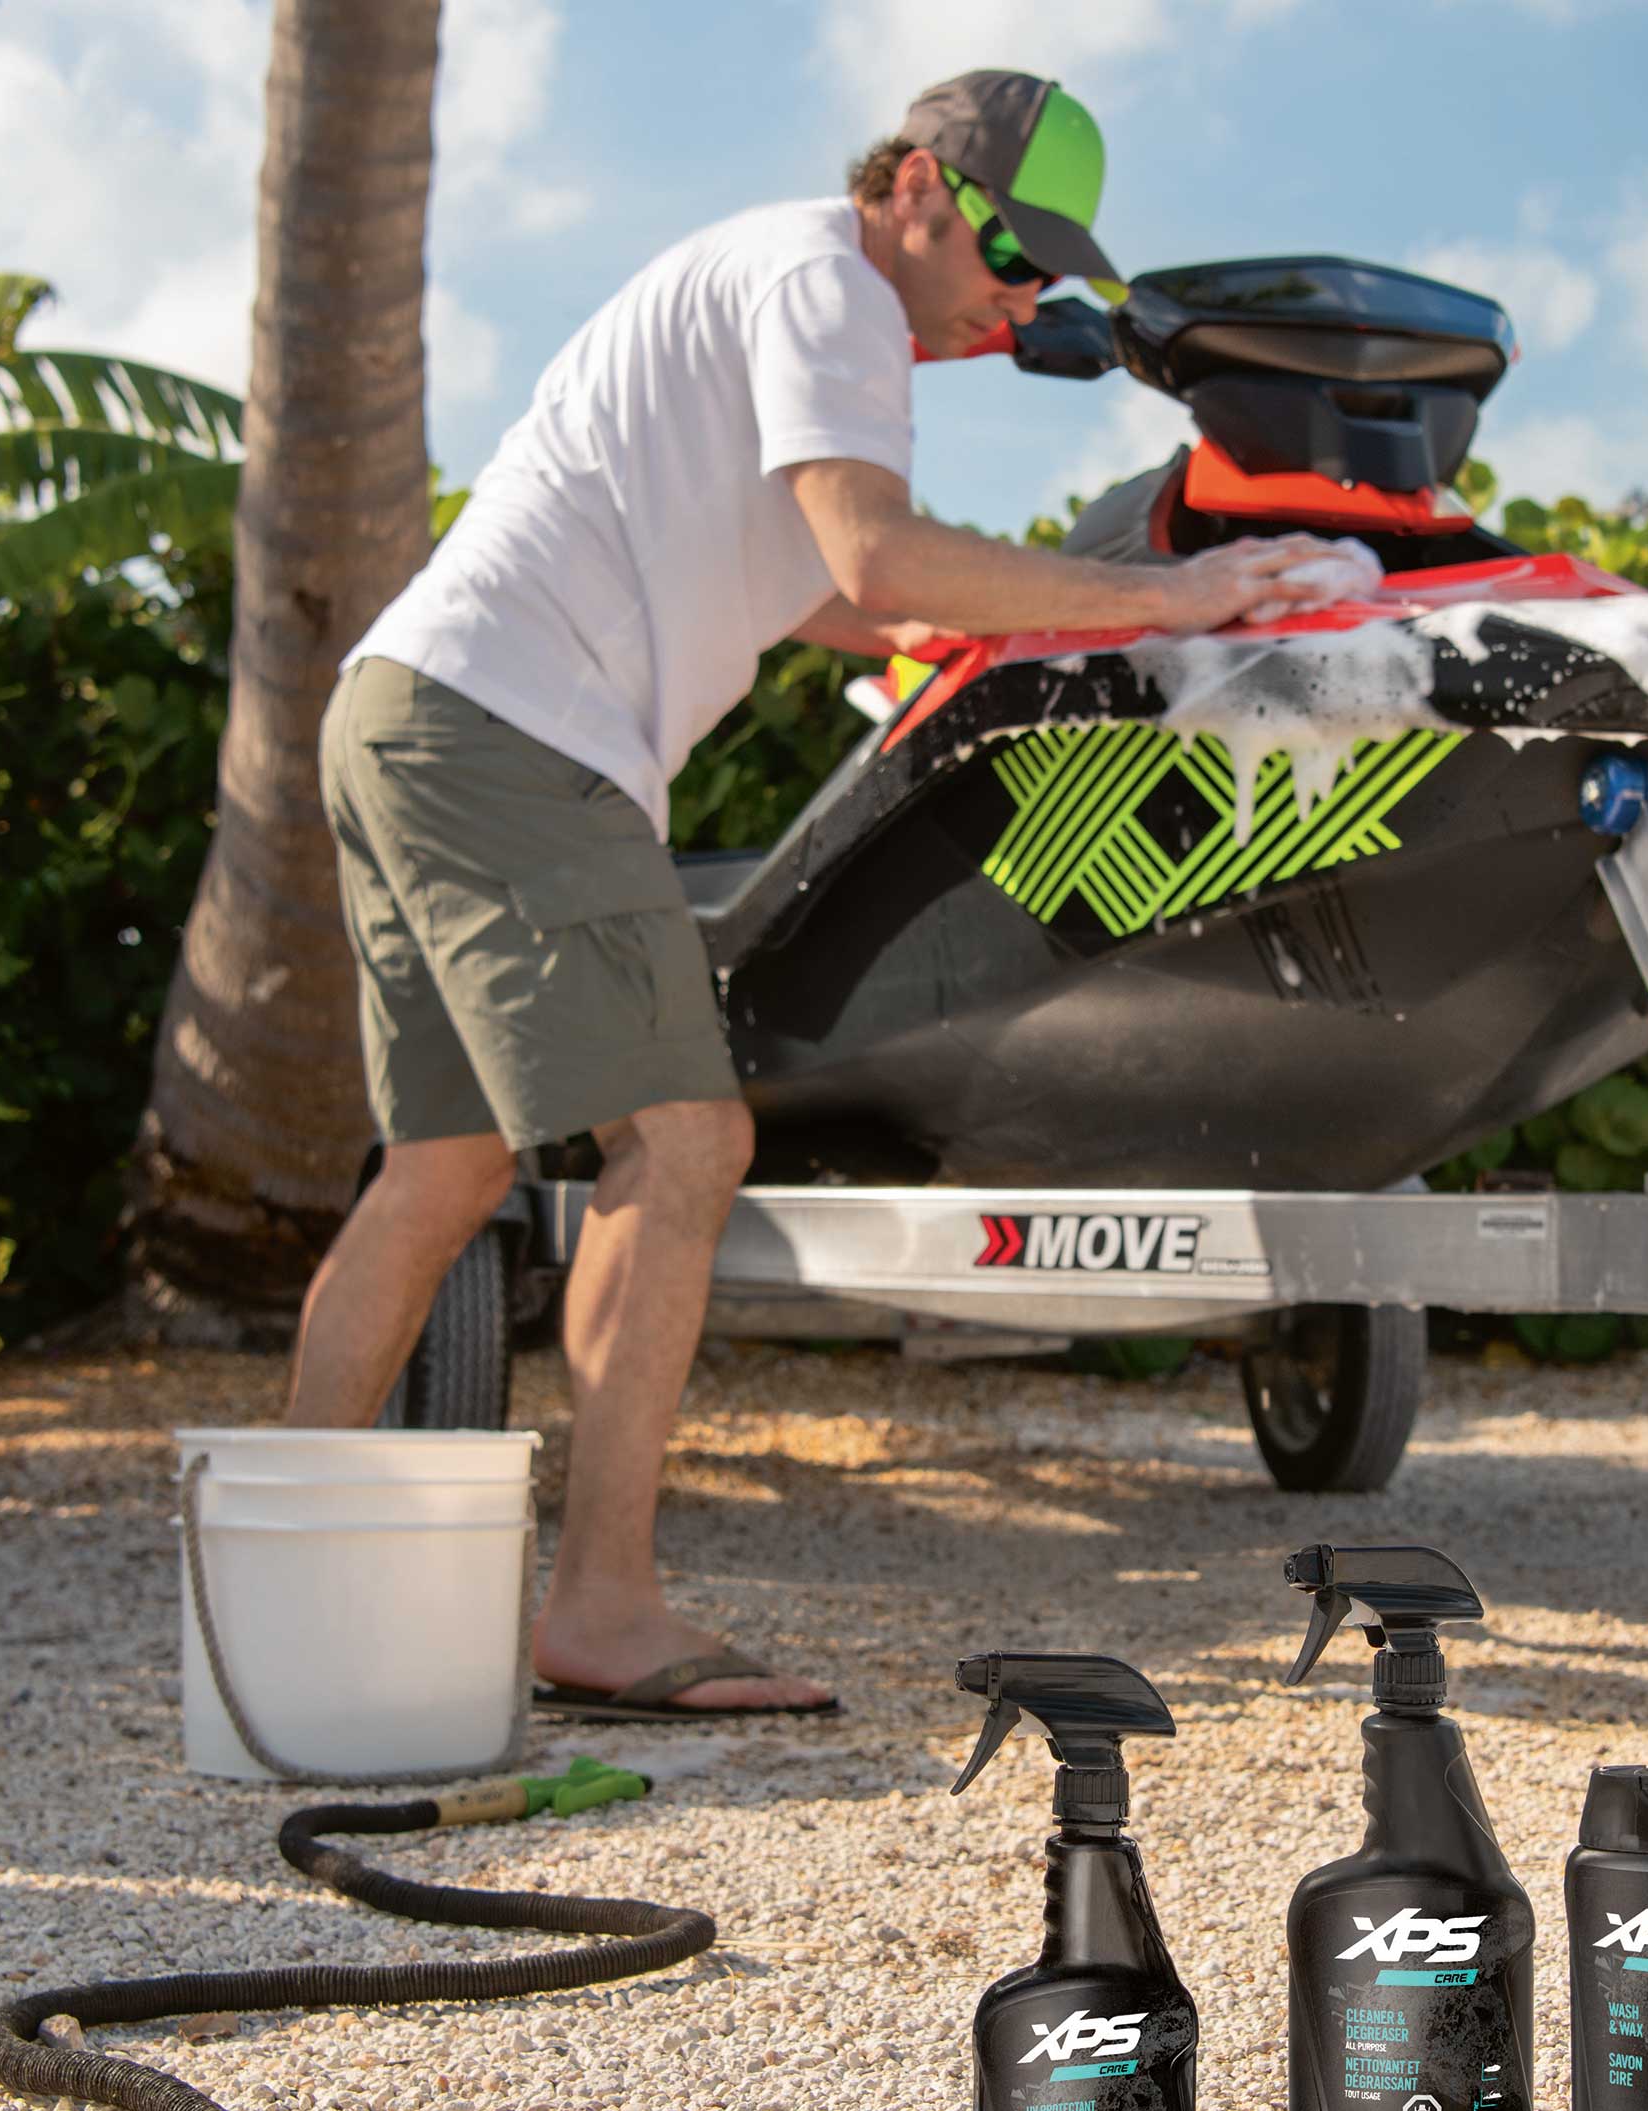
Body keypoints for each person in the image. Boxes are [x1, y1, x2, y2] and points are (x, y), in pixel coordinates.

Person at [285, 70, 1328, 1719]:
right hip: (511, 734)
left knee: (439, 1172)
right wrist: (1171, 591)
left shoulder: (777, 301)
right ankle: (604, 1607)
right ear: (916, 185)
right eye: (1009, 252)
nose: (1023, 300)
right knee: (686, 1140)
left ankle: (284, 1592)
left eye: (1053, 275)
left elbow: (841, 601)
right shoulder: (824, 284)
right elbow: (878, 560)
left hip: (409, 712)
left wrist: (1052, 615)